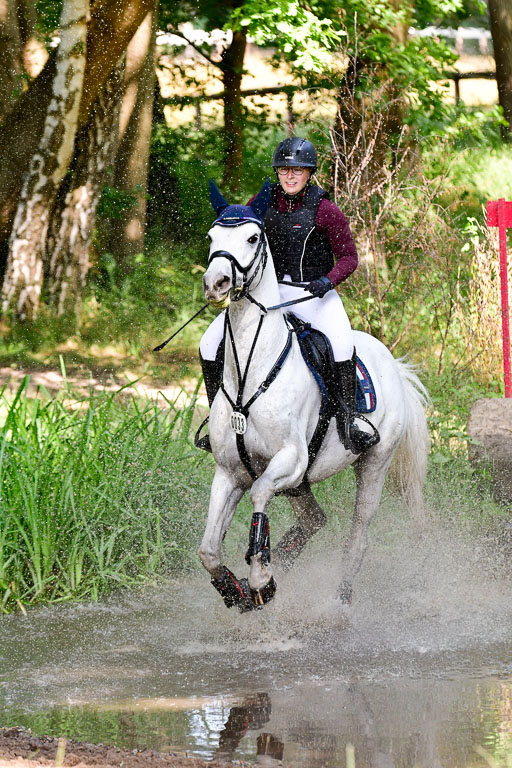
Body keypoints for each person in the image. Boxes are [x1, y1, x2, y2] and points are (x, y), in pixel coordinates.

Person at [198, 136, 378, 454]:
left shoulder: (326, 211)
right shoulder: (263, 202)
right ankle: (218, 419)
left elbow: (350, 257)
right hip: (266, 295)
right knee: (209, 344)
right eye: (283, 170)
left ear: (309, 173)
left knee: (341, 344)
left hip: (314, 295)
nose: (290, 176)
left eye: (297, 170)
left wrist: (328, 280)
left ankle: (349, 420)